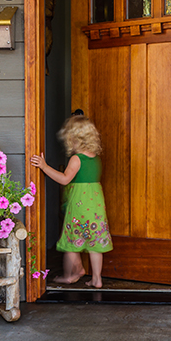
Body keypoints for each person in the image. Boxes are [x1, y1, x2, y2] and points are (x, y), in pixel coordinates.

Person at [29, 112, 112, 288]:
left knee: (70, 242)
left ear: (73, 137)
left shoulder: (77, 159)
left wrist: (44, 167)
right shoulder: (95, 158)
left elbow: (65, 179)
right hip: (96, 205)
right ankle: (97, 279)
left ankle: (70, 275)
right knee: (95, 243)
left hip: (79, 205)